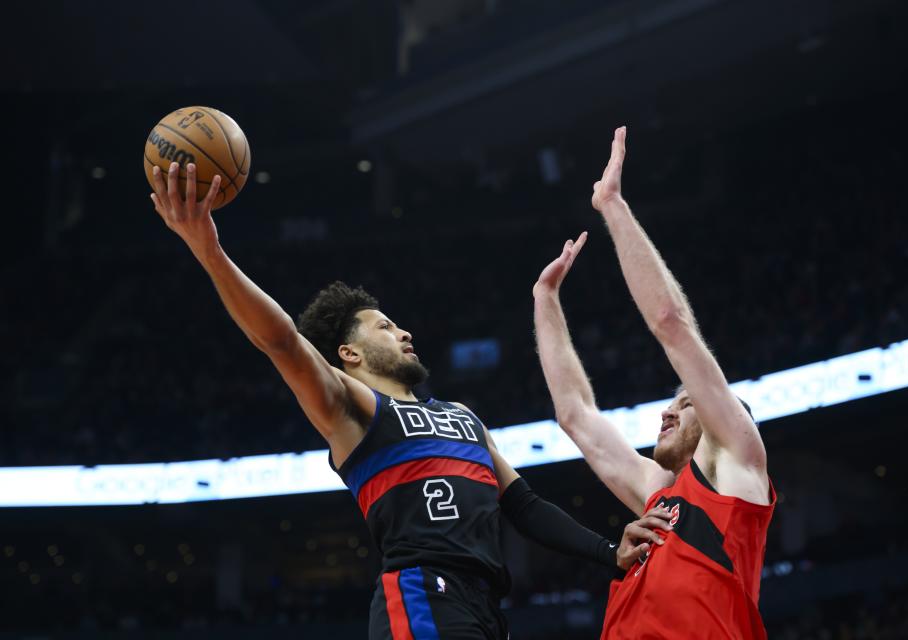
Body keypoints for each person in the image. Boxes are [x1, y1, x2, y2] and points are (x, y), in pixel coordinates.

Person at [147, 162, 668, 639]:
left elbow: (526, 507)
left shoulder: (462, 418)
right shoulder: (351, 409)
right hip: (423, 594)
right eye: (384, 326)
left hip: (487, 606)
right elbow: (281, 340)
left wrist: (608, 553)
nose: (403, 331)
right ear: (348, 353)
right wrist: (210, 252)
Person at [532, 127, 776, 639]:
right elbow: (576, 415)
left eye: (685, 403)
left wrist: (613, 206)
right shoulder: (660, 493)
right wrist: (545, 300)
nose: (666, 412)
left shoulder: (736, 463)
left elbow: (670, 321)